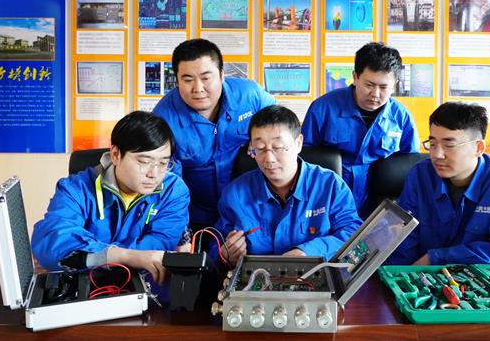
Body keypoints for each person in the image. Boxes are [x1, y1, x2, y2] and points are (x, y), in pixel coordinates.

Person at [32, 111, 190, 283]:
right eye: (144, 162)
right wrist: (125, 256)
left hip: (141, 286)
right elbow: (52, 241)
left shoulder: (173, 191)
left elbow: (159, 245)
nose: (154, 173)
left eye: (163, 163)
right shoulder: (75, 189)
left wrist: (87, 258)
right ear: (115, 155)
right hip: (86, 288)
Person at [213, 105, 362, 266]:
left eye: (278, 148)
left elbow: (352, 233)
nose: (269, 159)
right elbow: (216, 244)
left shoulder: (330, 185)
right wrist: (225, 255)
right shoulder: (235, 194)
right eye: (260, 149)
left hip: (314, 274)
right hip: (257, 278)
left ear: (298, 143)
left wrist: (308, 252)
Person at [153, 39, 275, 235]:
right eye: (187, 80)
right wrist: (180, 236)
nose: (198, 88)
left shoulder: (249, 95)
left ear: (222, 75)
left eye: (206, 78)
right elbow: (167, 186)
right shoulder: (163, 119)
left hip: (250, 212)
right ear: (177, 81)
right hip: (196, 217)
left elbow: (278, 124)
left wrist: (259, 137)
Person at [388, 102, 490, 265]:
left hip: (482, 278)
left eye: (449, 145)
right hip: (421, 277)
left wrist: (435, 258)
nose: (437, 155)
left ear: (478, 148)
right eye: (433, 144)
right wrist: (402, 274)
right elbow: (404, 238)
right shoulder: (421, 175)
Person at [301, 42, 419, 213]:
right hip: (328, 201)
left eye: (384, 87)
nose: (375, 94)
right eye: (369, 85)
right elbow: (304, 160)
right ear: (355, 77)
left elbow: (409, 168)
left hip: (378, 206)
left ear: (394, 84)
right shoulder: (323, 109)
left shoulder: (401, 117)